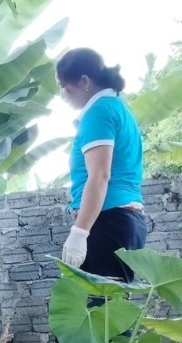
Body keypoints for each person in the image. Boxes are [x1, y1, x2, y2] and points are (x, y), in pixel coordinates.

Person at [56, 47, 146, 282]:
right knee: (111, 311)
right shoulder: (118, 107)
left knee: (102, 309)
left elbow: (99, 176)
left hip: (107, 220)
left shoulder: (98, 112)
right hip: (123, 221)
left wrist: (79, 232)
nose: (62, 95)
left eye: (64, 87)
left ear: (85, 81)